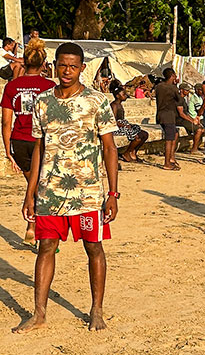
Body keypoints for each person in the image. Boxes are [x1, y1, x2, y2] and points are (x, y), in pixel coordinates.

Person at [15, 42, 119, 333]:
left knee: (93, 247)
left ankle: (96, 310)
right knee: (45, 247)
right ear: (54, 65)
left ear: (82, 68)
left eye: (73, 66)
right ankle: (39, 314)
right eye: (62, 65)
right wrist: (30, 192)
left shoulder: (97, 101)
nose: (67, 71)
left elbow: (110, 149)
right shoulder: (43, 102)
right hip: (50, 192)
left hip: (88, 193)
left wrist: (112, 193)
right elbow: (39, 147)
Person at [1, 39, 56, 246]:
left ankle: (32, 227)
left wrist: (8, 150)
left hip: (19, 140)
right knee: (41, 187)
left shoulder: (12, 86)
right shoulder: (50, 87)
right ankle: (37, 229)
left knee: (33, 184)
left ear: (24, 62)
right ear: (43, 64)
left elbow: (6, 121)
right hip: (41, 141)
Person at [155, 68, 190, 170]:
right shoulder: (172, 88)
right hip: (169, 116)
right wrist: (175, 86)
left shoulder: (159, 86)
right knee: (169, 139)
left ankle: (171, 158)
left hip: (160, 114)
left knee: (174, 134)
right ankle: (167, 163)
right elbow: (179, 99)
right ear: (172, 76)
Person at [110, 83, 149, 162]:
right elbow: (113, 120)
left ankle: (133, 152)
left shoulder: (120, 105)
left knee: (144, 134)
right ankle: (127, 153)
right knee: (137, 137)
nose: (125, 95)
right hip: (117, 127)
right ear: (117, 96)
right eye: (123, 94)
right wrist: (123, 125)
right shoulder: (114, 105)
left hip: (123, 125)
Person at [175, 83, 203, 153]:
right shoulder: (179, 99)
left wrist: (193, 119)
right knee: (198, 130)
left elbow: (186, 113)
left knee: (201, 128)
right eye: (186, 90)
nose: (188, 92)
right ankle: (194, 149)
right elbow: (181, 114)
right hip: (178, 119)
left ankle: (197, 146)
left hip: (183, 119)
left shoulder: (183, 99)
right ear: (181, 90)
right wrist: (191, 120)